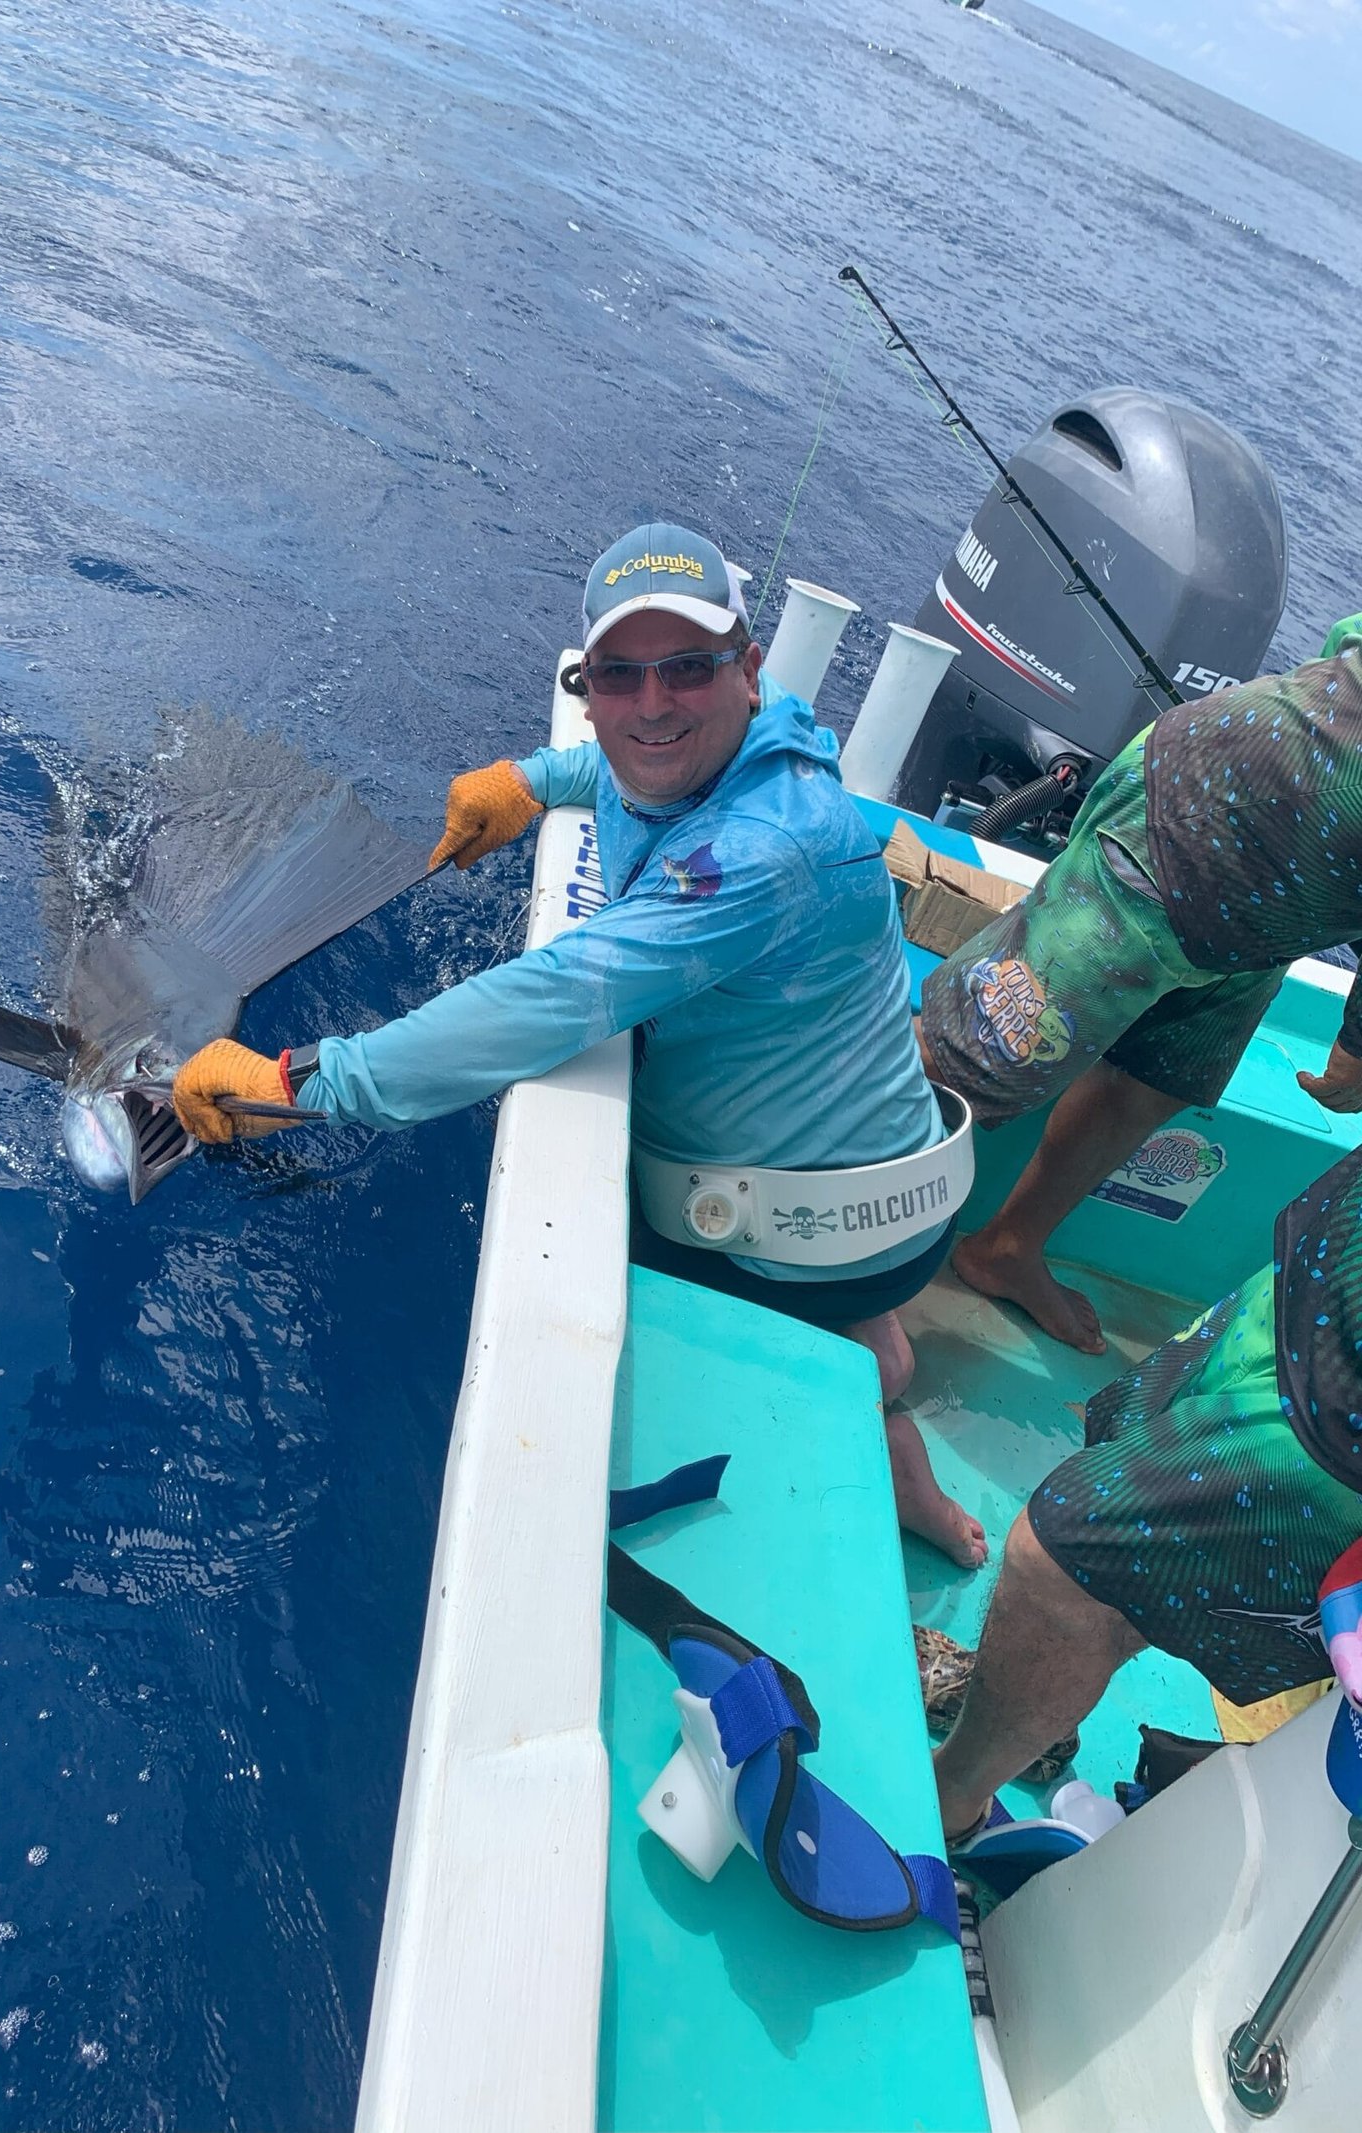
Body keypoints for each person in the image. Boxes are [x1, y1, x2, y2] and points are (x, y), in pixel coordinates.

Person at [170, 521, 986, 1567]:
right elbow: (639, 761)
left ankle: (872, 1453)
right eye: (617, 676)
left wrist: (303, 1077)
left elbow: (545, 1001)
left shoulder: (757, 855)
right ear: (588, 681)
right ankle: (878, 1362)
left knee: (642, 1375)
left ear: (743, 667)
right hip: (885, 1186)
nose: (651, 704)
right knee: (862, 1326)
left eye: (686, 667)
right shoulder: (753, 733)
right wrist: (531, 777)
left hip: (811, 1234)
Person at [920, 646, 1362, 1355]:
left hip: (1272, 911)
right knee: (975, 1052)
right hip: (1188, 825)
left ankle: (1007, 1246)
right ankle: (780, 1167)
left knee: (1158, 1079)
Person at [932, 1141, 1362, 1842]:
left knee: (1061, 1566)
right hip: (1316, 1292)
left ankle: (952, 1799)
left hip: (1336, 1442)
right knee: (1134, 1485)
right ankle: (1035, 1720)